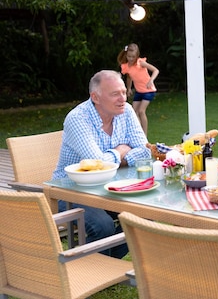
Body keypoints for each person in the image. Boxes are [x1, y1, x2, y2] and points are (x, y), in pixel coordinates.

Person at [53, 70, 151, 258]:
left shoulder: (126, 111)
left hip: (110, 188)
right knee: (103, 226)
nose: (123, 98)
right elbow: (98, 164)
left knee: (145, 213)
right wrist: (121, 151)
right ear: (95, 97)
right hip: (70, 191)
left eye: (124, 92)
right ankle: (91, 268)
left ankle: (100, 265)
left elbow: (145, 150)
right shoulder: (78, 119)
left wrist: (111, 160)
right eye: (115, 94)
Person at [117, 43, 160, 136]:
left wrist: (151, 80)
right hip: (139, 91)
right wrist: (128, 88)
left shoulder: (140, 63)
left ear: (137, 56)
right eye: (129, 56)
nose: (131, 59)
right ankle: (138, 132)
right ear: (126, 55)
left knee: (141, 111)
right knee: (133, 111)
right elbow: (129, 78)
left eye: (133, 57)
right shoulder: (126, 66)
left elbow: (156, 70)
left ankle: (144, 135)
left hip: (149, 90)